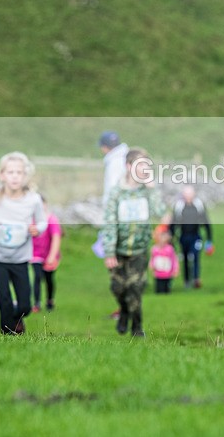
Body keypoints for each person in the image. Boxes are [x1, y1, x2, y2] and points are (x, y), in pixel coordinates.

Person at [0, 152, 47, 334]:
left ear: (25, 175)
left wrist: (37, 229)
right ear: (2, 175)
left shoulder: (33, 199)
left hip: (20, 258)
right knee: (4, 298)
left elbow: (42, 222)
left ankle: (16, 319)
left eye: (19, 172)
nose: (15, 176)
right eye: (10, 172)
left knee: (25, 305)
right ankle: (7, 335)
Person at [103, 148, 166, 338]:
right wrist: (109, 251)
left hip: (139, 250)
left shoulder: (147, 192)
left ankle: (137, 327)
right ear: (129, 166)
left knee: (135, 287)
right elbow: (110, 222)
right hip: (118, 250)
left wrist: (152, 189)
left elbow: (160, 212)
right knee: (118, 288)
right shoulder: (116, 193)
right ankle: (123, 311)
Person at [96, 130, 129, 319]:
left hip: (117, 218)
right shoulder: (126, 158)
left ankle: (124, 308)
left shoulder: (114, 163)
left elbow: (111, 193)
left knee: (117, 264)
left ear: (104, 147)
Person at [170, 185, 213, 289]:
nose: (188, 196)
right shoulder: (179, 206)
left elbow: (206, 222)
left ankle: (196, 278)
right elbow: (174, 223)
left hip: (196, 236)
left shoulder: (198, 205)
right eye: (186, 194)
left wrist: (209, 240)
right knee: (185, 258)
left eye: (190, 194)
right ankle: (186, 280)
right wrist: (171, 238)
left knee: (195, 256)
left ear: (193, 194)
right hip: (183, 236)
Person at [30, 195, 62, 313]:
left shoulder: (52, 219)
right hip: (35, 254)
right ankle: (37, 303)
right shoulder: (32, 220)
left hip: (49, 254)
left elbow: (56, 238)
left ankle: (49, 300)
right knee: (37, 277)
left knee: (49, 278)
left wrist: (52, 256)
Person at [149, 224, 179, 294]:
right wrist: (151, 266)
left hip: (167, 273)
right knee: (159, 289)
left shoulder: (170, 249)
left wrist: (175, 269)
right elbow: (152, 259)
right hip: (158, 273)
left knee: (166, 289)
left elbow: (174, 260)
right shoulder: (154, 249)